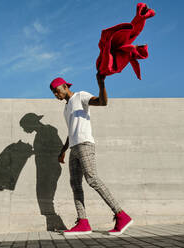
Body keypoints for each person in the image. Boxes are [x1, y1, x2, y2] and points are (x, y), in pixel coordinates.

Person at [49, 73, 133, 236]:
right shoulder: (66, 108)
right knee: (75, 184)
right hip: (74, 149)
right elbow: (70, 131)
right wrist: (63, 151)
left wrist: (101, 84)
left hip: (85, 144)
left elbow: (102, 102)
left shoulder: (81, 96)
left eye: (57, 91)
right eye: (53, 93)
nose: (56, 95)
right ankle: (83, 222)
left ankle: (121, 215)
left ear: (65, 86)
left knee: (92, 179)